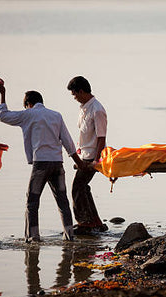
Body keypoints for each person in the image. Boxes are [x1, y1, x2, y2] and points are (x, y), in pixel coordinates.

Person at [0, 81, 85, 243]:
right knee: (62, 201)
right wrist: (79, 162)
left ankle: (33, 237)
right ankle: (69, 235)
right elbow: (68, 141)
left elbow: (3, 116)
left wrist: (2, 93)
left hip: (41, 165)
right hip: (57, 163)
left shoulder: (28, 114)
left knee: (32, 201)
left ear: (28, 104)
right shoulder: (56, 115)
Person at [67, 76, 108, 234]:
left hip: (92, 156)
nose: (75, 98)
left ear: (81, 91)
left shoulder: (97, 110)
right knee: (83, 187)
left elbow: (101, 137)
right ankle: (95, 222)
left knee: (77, 187)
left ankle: (87, 223)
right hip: (84, 154)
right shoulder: (84, 108)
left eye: (75, 95)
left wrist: (96, 161)